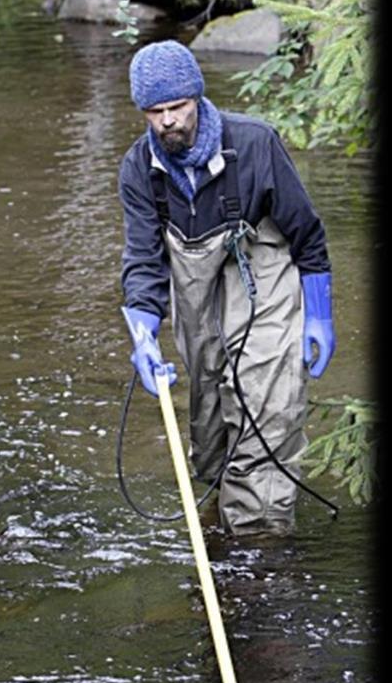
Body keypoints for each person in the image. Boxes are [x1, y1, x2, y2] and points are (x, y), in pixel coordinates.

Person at [119, 40, 335, 537]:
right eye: (156, 111)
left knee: (266, 410)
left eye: (178, 107)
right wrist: (144, 336)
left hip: (265, 283)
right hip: (196, 302)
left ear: (197, 96)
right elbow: (144, 261)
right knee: (212, 433)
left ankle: (260, 558)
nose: (169, 120)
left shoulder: (255, 144)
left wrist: (320, 315)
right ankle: (225, 521)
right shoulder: (137, 170)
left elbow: (307, 233)